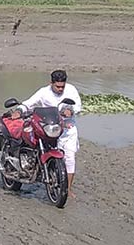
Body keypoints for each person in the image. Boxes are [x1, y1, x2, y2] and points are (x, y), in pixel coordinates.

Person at [11, 69, 82, 198]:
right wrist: (19, 110)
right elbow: (29, 103)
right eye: (57, 86)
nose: (60, 89)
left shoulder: (71, 90)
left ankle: (68, 190)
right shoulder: (43, 92)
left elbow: (78, 106)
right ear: (51, 83)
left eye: (62, 86)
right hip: (48, 128)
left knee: (70, 159)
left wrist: (70, 111)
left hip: (67, 130)